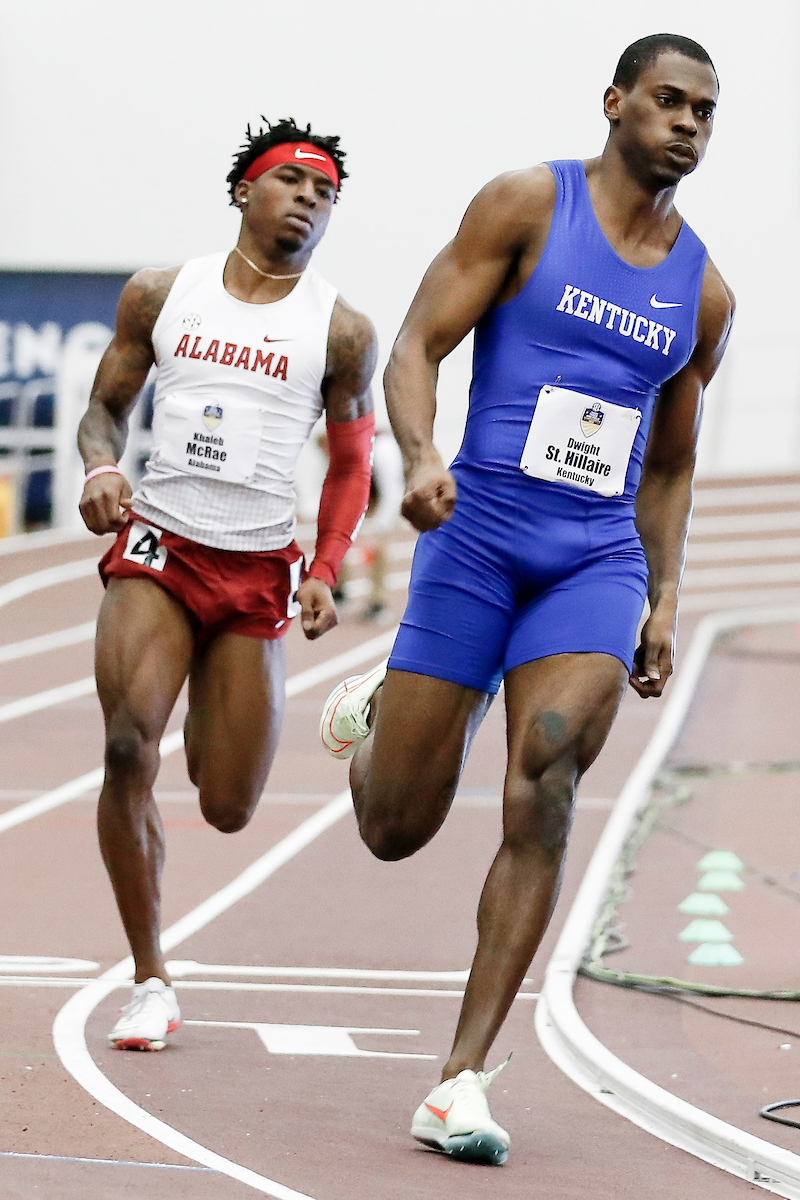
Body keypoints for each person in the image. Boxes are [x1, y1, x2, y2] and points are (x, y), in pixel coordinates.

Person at [320, 35, 733, 1164]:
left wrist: (658, 595)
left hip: (591, 558)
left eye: (704, 108)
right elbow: (415, 342)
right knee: (394, 826)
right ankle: (382, 721)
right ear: (614, 103)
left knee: (545, 771)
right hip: (477, 534)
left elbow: (668, 462)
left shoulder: (701, 289)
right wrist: (414, 457)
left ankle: (458, 1079)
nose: (686, 122)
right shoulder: (522, 205)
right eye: (666, 100)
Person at [78, 117, 376, 1050]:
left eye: (324, 193)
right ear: (245, 189)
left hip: (255, 570)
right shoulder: (164, 294)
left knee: (228, 804)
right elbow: (103, 412)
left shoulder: (341, 329)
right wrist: (100, 471)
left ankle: (301, 714)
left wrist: (325, 566)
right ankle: (150, 978)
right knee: (130, 749)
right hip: (160, 546)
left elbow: (352, 463)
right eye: (292, 180)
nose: (308, 199)